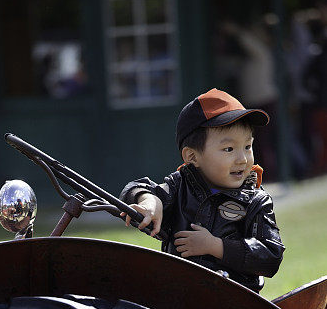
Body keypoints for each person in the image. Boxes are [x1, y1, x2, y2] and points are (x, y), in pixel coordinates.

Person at [120, 88, 285, 292]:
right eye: (229, 149)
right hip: (178, 296)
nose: (242, 159)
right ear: (192, 157)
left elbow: (271, 256)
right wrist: (149, 203)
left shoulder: (256, 202)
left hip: (236, 302)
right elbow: (135, 188)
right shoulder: (179, 186)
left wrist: (216, 246)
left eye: (248, 146)